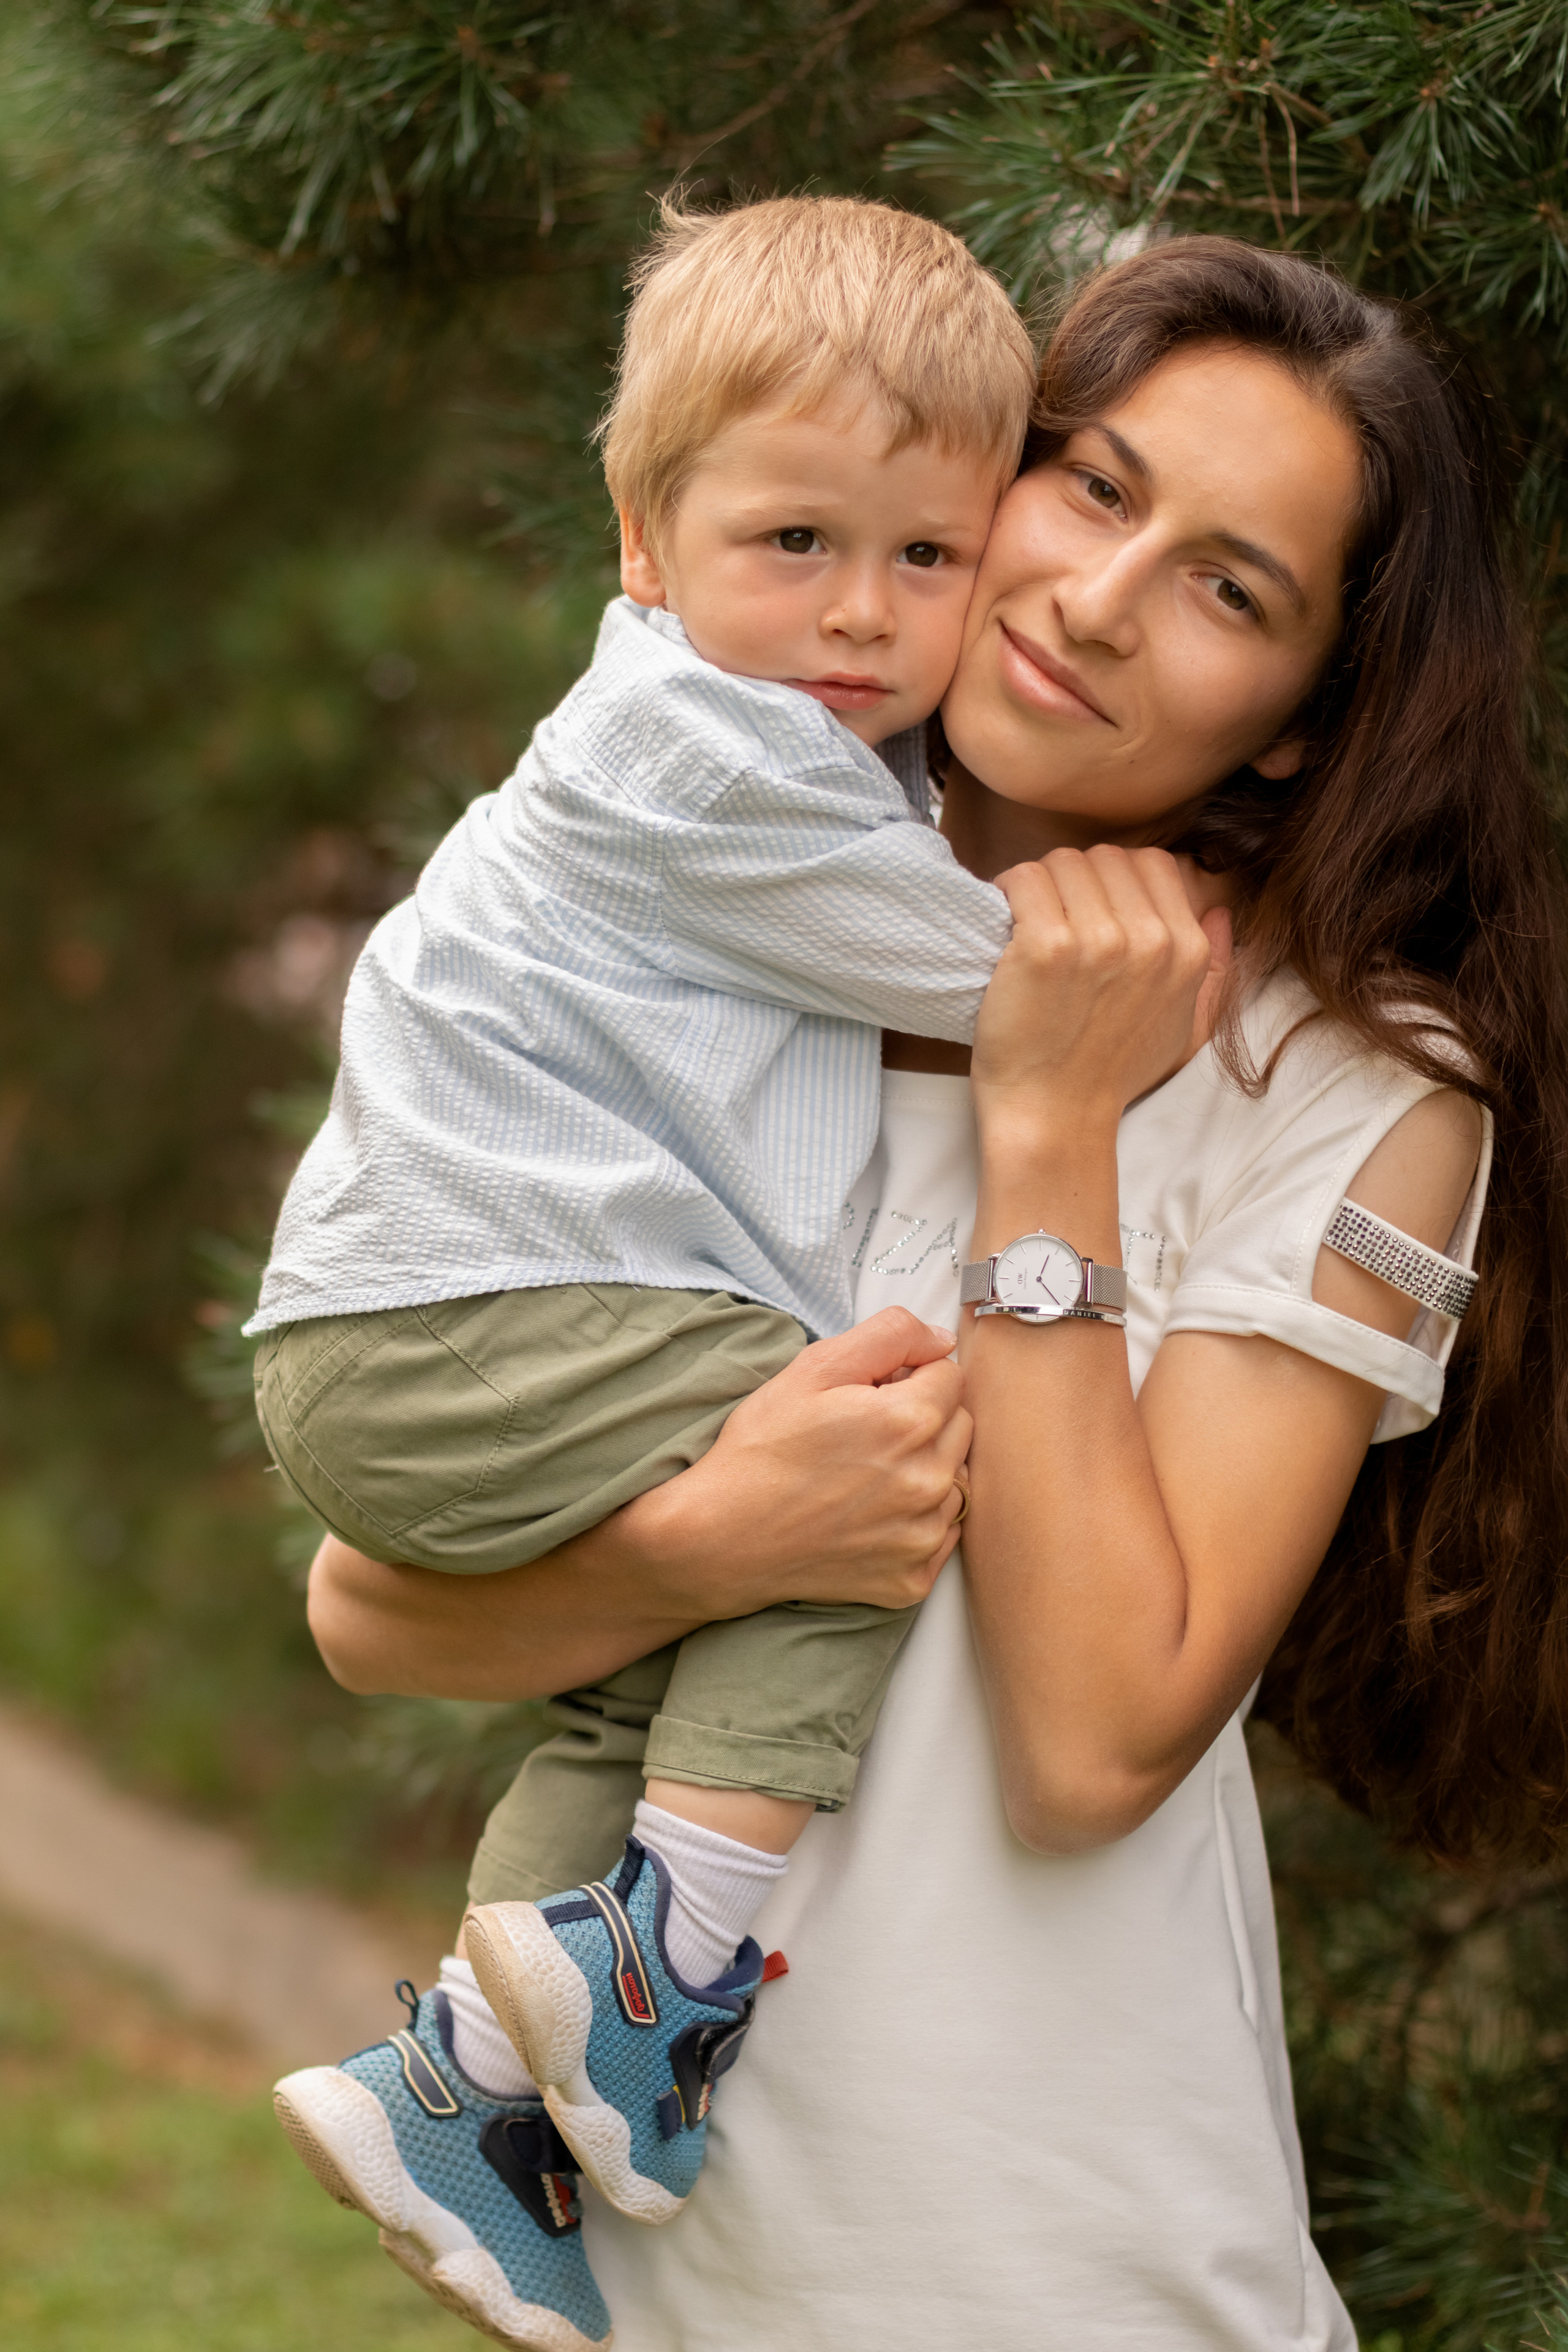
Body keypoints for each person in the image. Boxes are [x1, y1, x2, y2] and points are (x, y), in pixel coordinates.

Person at [298, 235, 1568, 2351]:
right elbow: (374, 1607)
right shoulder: (695, 959)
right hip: (652, 2252)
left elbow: (1090, 1744)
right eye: (1090, 486)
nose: (1097, 594)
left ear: (1300, 714)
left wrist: (1052, 1129)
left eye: (1230, 585)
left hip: (1057, 2265)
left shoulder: (1350, 1088)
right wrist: (728, 1538)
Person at [262, 193, 1049, 2347]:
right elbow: (1020, 996)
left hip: (438, 1323)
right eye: (795, 542)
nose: (860, 617)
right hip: (465, 1313)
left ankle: (473, 2097)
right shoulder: (712, 763)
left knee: (649, 1675)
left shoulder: (781, 740)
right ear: (642, 536)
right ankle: (667, 1977)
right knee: (854, 1469)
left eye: (930, 558)